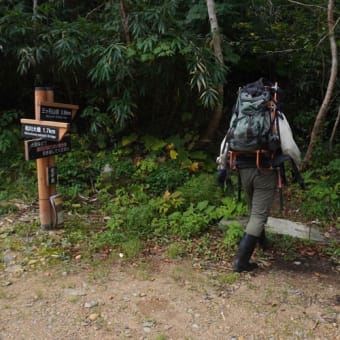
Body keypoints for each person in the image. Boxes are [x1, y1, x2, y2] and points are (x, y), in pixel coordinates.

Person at [232, 158, 277, 272]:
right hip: (264, 170)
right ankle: (241, 262)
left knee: (254, 210)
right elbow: (289, 148)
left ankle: (262, 243)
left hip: (243, 170)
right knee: (258, 216)